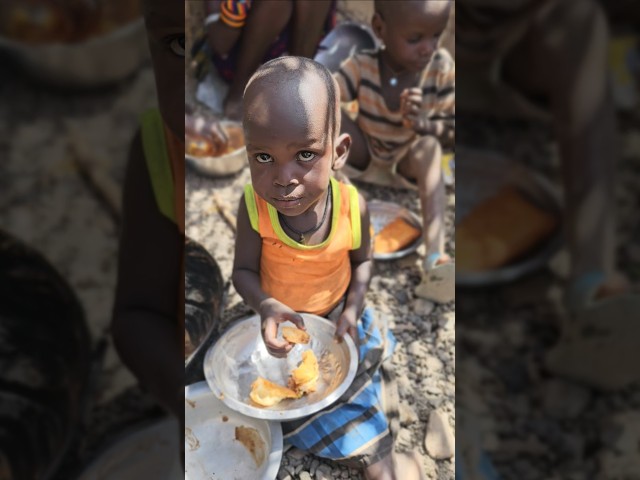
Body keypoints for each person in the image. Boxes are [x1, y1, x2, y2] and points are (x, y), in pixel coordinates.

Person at [232, 55, 425, 480]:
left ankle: (377, 456)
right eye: (263, 157)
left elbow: (364, 262)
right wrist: (265, 306)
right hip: (277, 322)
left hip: (337, 316)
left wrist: (353, 309)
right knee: (243, 391)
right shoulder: (253, 208)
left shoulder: (352, 208)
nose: (284, 177)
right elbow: (242, 272)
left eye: (304, 154)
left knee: (352, 391)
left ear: (337, 152)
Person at [111, 0, 223, 465]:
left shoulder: (341, 147)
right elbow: (136, 318)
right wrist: (195, 407)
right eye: (177, 43)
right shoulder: (161, 149)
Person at [333, 0, 455, 303]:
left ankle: (435, 256)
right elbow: (326, 95)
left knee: (429, 147)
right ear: (379, 29)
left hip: (405, 165)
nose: (427, 48)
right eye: (415, 39)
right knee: (329, 112)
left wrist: (424, 124)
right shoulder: (362, 65)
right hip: (362, 158)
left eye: (436, 36)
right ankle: (335, 211)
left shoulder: (439, 69)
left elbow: (453, 134)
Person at [203, 0, 336, 120]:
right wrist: (236, 7)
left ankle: (296, 86)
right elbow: (221, 45)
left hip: (293, 47)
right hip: (243, 58)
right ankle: (240, 92)